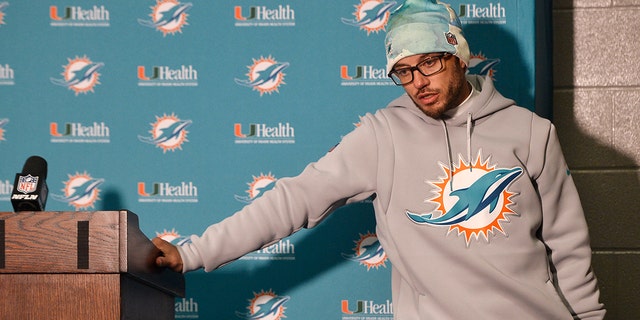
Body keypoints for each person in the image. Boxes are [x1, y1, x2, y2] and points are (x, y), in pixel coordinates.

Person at [153, 0, 606, 318]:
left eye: (429, 63)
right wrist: (192, 252)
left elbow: (569, 246)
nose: (418, 82)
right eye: (403, 72)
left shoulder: (531, 132)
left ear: (459, 55)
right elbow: (291, 201)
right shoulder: (382, 137)